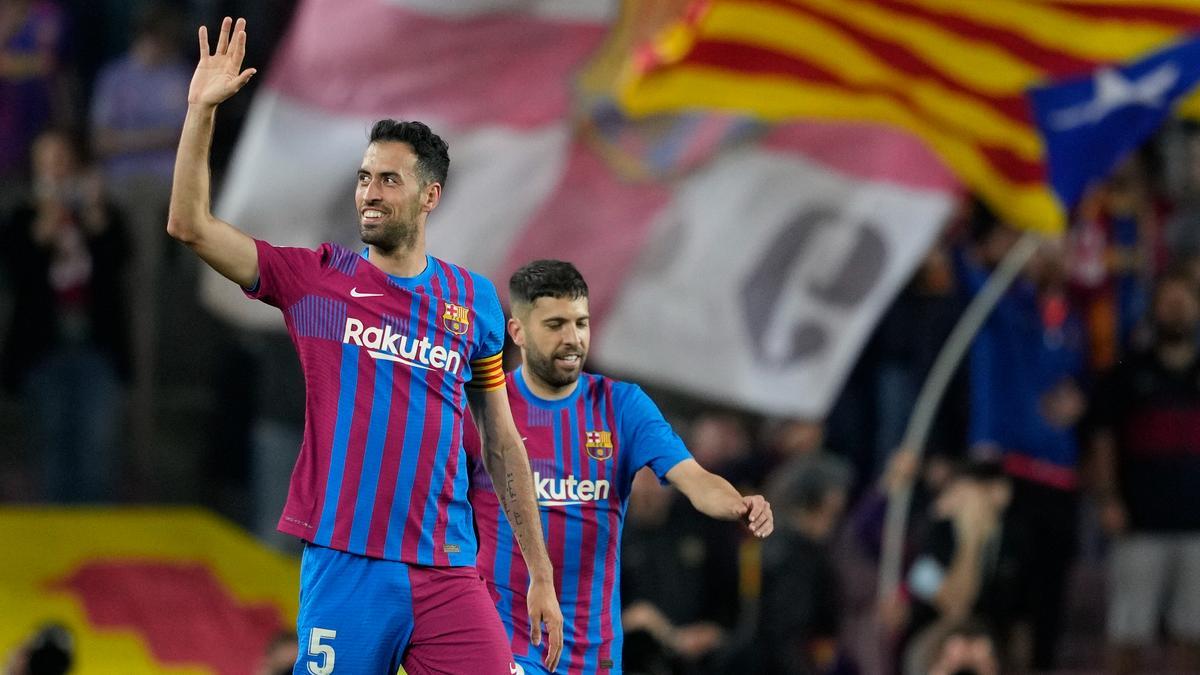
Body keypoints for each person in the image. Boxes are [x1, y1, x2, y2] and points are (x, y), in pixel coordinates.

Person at [166, 17, 562, 674]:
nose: (369, 193)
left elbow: (501, 442)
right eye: (364, 177)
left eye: (388, 180)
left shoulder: (475, 303)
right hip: (348, 568)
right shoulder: (315, 280)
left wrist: (540, 574)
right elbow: (190, 225)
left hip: (447, 572)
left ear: (430, 195)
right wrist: (200, 113)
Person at [464, 259, 773, 674]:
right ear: (518, 332)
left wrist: (739, 504)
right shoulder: (481, 412)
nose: (572, 339)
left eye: (581, 323)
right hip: (505, 640)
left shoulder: (622, 406)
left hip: (594, 654)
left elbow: (693, 477)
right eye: (555, 325)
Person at [0, 128, 130, 503]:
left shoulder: (99, 213)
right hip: (43, 348)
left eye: (63, 161)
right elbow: (17, 270)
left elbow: (119, 260)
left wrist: (93, 216)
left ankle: (93, 538)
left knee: (97, 445)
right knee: (49, 441)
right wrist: (46, 225)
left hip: (96, 347)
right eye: (48, 163)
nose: (56, 171)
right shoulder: (21, 216)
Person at [1090, 270, 1200, 673]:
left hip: (1196, 526)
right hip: (1140, 521)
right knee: (1128, 632)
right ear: (1154, 311)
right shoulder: (1127, 369)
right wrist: (1108, 498)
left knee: (1194, 635)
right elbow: (1103, 438)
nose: (1176, 309)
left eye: (1184, 301)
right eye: (1167, 302)